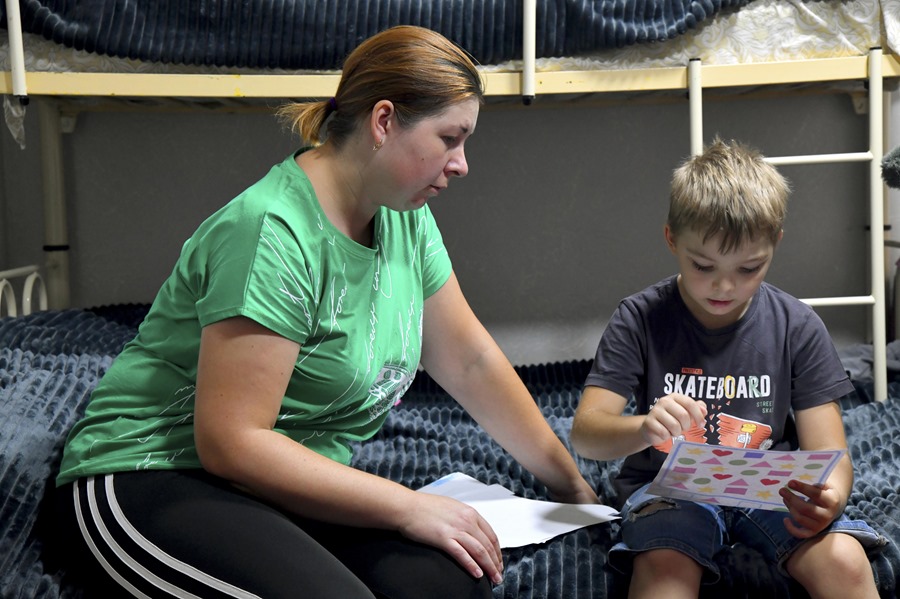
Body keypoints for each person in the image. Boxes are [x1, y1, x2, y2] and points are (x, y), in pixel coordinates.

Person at [54, 25, 598, 599]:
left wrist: (572, 487)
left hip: (279, 481)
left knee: (446, 582)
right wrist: (406, 506)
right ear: (384, 122)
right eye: (450, 138)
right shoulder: (271, 233)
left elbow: (471, 362)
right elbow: (232, 441)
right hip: (153, 469)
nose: (461, 164)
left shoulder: (403, 216)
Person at [569, 138, 885, 599]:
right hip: (669, 489)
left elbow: (830, 453)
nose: (723, 285)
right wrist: (643, 428)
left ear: (775, 245)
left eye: (749, 268)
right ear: (671, 239)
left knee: (844, 560)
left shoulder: (797, 325)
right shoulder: (639, 317)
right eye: (703, 265)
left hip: (770, 487)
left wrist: (830, 496)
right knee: (665, 567)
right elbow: (586, 434)